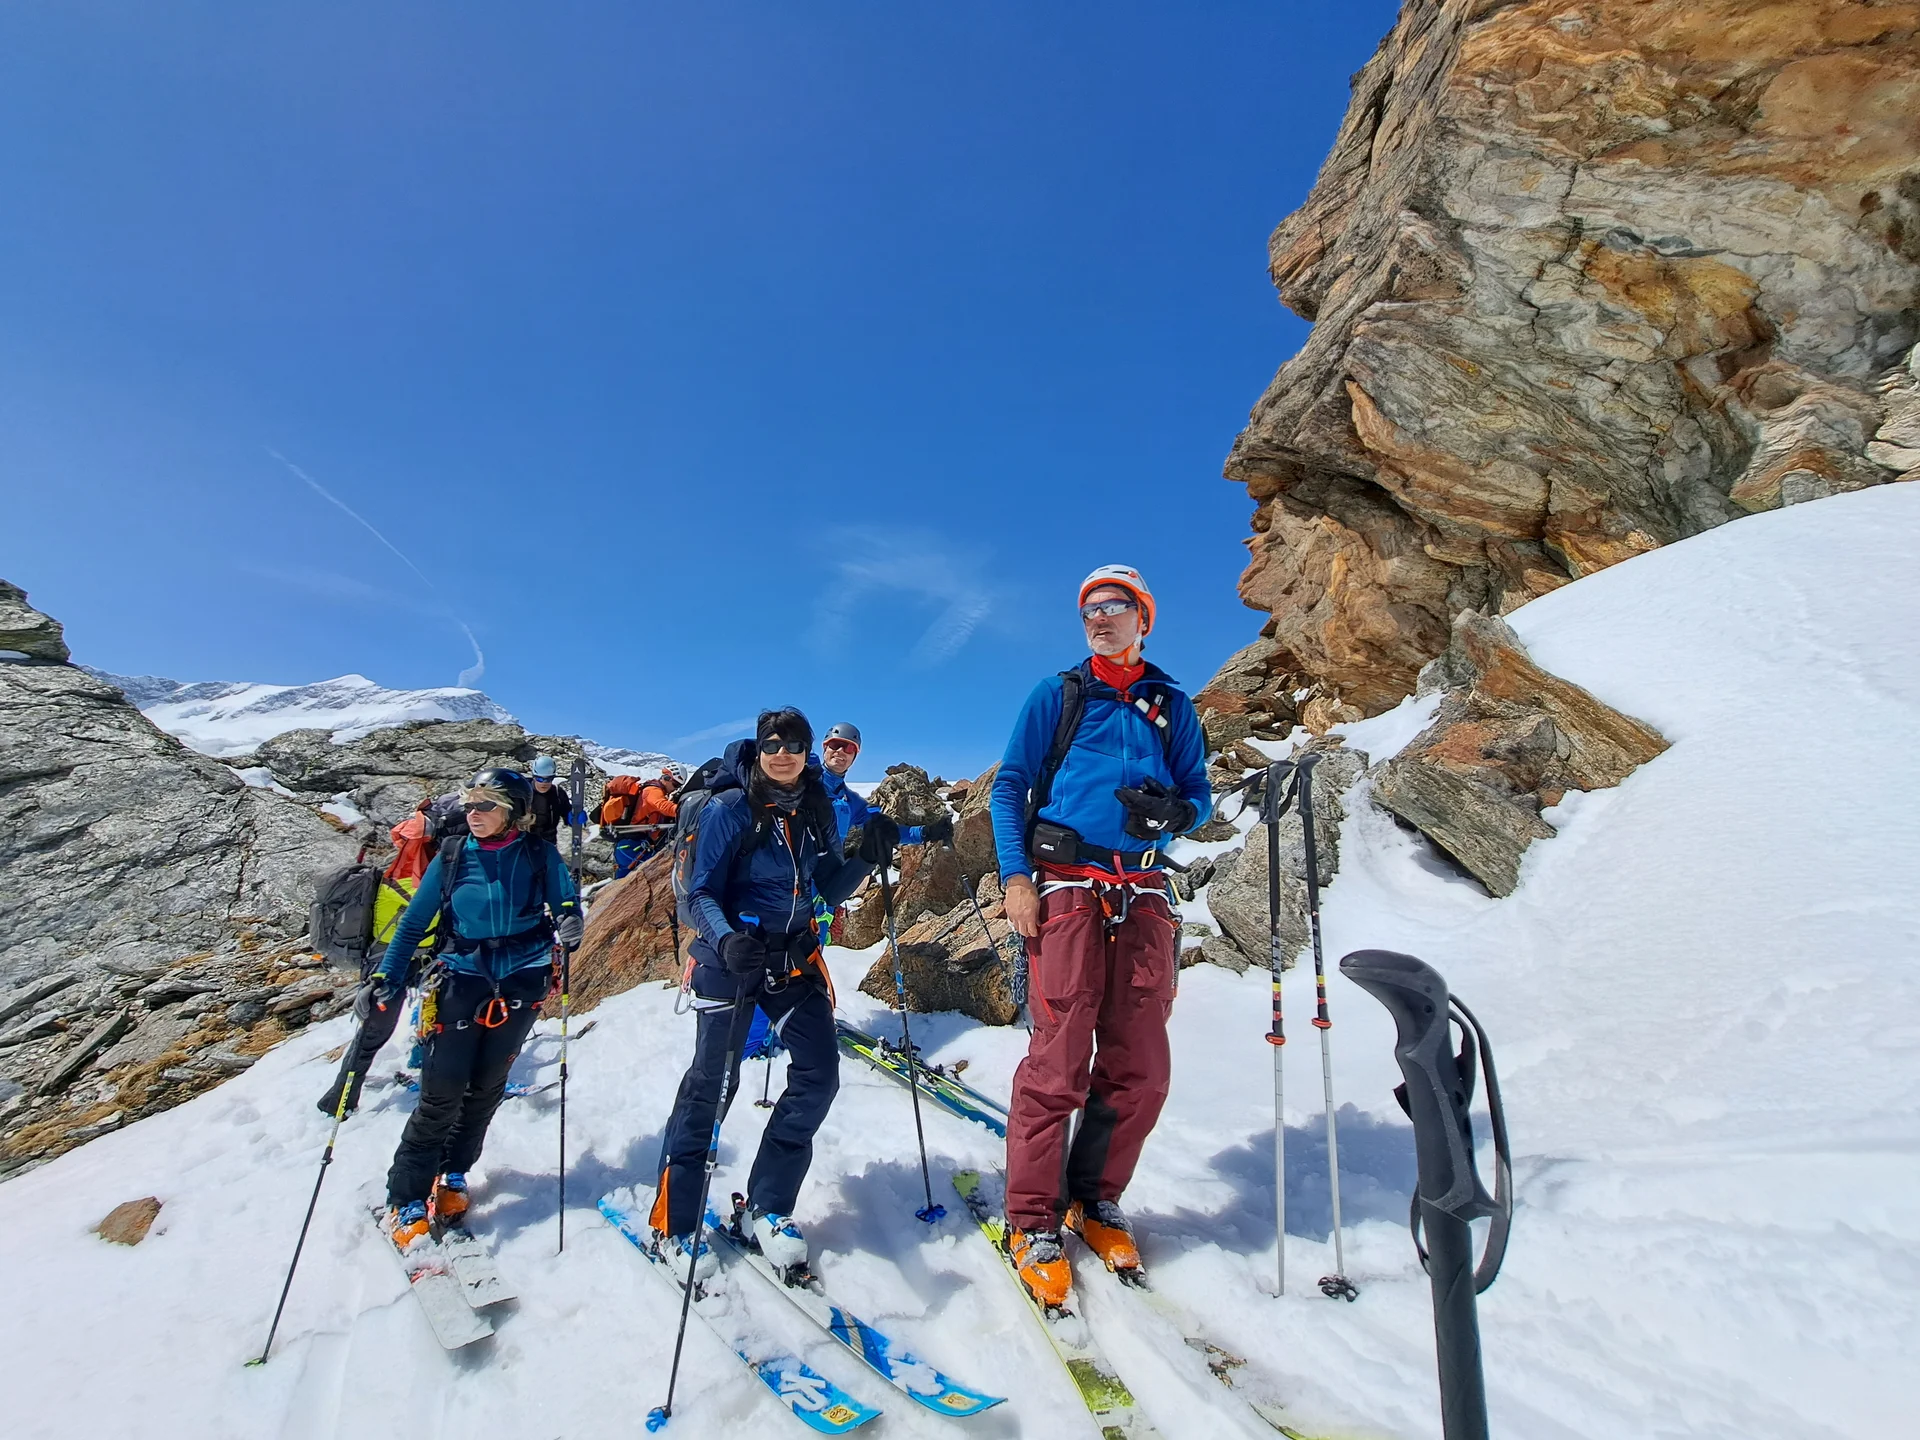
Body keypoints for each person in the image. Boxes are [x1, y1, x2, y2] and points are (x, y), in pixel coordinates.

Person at [987, 565, 1210, 1307]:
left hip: (1143, 893)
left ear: (1143, 618)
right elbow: (1011, 785)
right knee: (1057, 1059)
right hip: (1070, 888)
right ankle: (1032, 1219)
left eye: (1115, 607)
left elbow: (1199, 796)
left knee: (1141, 1064)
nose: (1099, 618)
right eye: (1089, 609)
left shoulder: (1170, 703)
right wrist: (1018, 878)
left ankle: (1095, 1197)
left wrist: (1174, 817)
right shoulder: (1059, 694)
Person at [649, 709, 879, 1280]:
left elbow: (824, 885)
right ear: (760, 748)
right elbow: (701, 891)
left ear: (807, 751)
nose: (783, 754)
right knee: (712, 1086)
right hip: (732, 960)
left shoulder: (815, 806)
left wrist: (866, 861)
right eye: (773, 744)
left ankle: (767, 1208)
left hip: (792, 957)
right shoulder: (731, 810)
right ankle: (672, 1222)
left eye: (794, 745)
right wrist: (727, 941)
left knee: (820, 1075)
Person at [362, 768, 583, 1248]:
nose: (474, 813)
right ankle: (406, 1195)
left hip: (522, 980)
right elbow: (415, 920)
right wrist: (386, 978)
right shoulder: (452, 855)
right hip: (462, 977)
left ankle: (454, 1173)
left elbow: (566, 904)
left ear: (513, 812)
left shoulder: (540, 855)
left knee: (486, 1087)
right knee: (443, 1089)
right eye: (471, 804)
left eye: (486, 804)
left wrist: (570, 923)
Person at [603, 767, 680, 878]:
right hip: (633, 845)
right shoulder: (653, 791)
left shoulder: (653, 789)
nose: (675, 789)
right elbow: (663, 806)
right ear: (667, 778)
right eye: (675, 785)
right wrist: (686, 810)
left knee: (624, 882)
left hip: (630, 845)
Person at [526, 755, 574, 846]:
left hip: (548, 845)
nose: (544, 783)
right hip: (523, 845)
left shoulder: (558, 794)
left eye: (548, 779)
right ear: (534, 777)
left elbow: (567, 813)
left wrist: (573, 817)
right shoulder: (523, 792)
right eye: (540, 779)